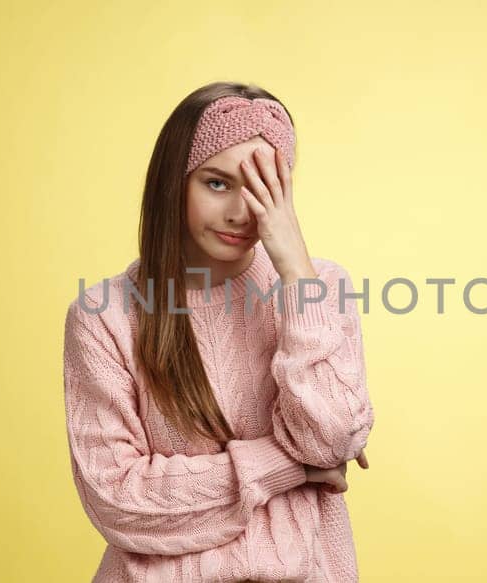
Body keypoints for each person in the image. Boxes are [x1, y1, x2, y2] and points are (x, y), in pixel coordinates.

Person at [62, 81, 375, 582]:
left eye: (264, 186)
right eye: (216, 183)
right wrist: (288, 466)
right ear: (174, 183)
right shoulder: (105, 315)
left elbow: (330, 439)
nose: (241, 212)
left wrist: (295, 268)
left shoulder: (321, 287)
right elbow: (118, 498)